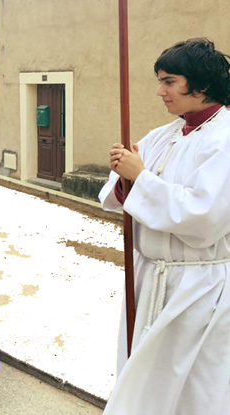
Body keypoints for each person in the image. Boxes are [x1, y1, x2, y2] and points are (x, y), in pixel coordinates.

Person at [98, 38, 230, 415]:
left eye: (169, 81)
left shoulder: (225, 140)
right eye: (160, 81)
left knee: (192, 387)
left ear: (201, 84)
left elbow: (203, 217)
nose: (160, 92)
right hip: (150, 279)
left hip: (197, 287)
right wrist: (125, 177)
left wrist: (141, 178)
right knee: (141, 381)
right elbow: (119, 194)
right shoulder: (163, 135)